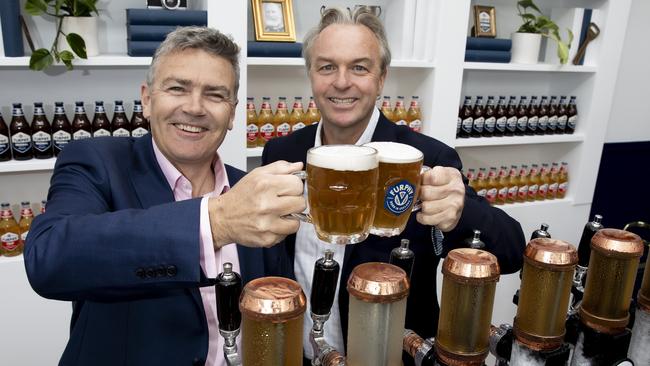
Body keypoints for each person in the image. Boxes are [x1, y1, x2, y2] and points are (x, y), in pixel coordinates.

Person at [24, 27, 304, 366]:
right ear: (147, 98)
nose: (195, 107)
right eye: (177, 88)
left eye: (215, 95)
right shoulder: (96, 161)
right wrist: (214, 222)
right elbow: (49, 259)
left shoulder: (250, 191)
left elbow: (277, 308)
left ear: (232, 113)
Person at [261, 7, 526, 364]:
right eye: (327, 67)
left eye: (359, 67)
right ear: (310, 74)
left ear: (381, 77)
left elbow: (511, 252)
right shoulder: (282, 152)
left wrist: (460, 211)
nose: (342, 82)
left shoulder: (426, 157)